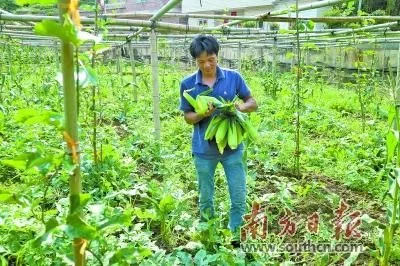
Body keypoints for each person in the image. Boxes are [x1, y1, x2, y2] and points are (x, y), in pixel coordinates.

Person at [179, 35, 258, 233]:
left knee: (238, 194)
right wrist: (201, 114)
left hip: (233, 149)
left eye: (211, 59)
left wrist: (240, 107)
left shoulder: (234, 77)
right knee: (205, 196)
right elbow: (188, 117)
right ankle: (208, 231)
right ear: (195, 61)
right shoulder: (188, 84)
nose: (206, 65)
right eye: (201, 61)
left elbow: (253, 103)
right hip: (203, 150)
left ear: (217, 56)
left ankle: (236, 234)